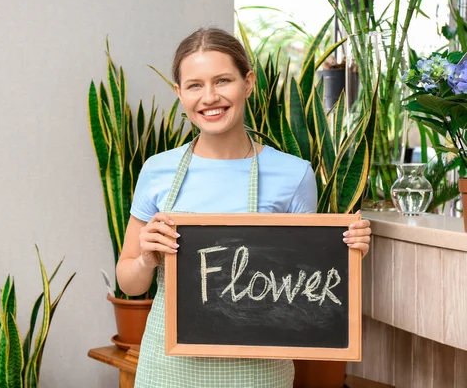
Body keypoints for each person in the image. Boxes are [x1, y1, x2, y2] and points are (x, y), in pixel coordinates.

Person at [116, 27, 372, 388]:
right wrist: (145, 258)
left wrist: (347, 252)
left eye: (223, 80)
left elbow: (309, 290)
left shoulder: (294, 175)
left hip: (259, 372)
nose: (209, 97)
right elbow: (128, 282)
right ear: (179, 93)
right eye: (194, 85)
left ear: (247, 82)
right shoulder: (157, 170)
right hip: (168, 369)